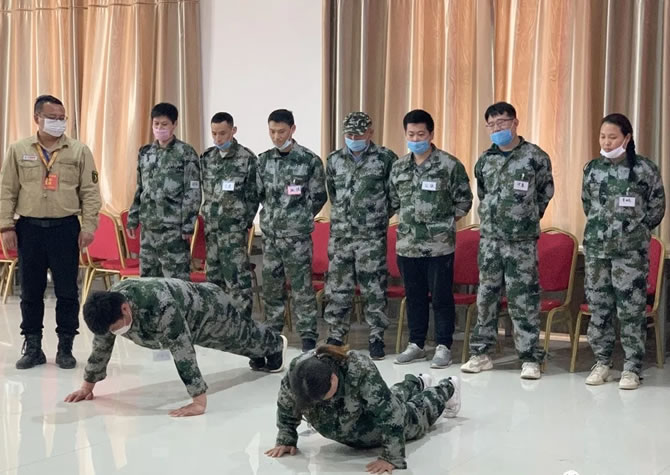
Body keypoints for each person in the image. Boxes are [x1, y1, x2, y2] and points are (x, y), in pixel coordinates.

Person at [64, 278, 287, 416]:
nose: (114, 332)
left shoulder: (160, 305)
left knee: (241, 337)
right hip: (187, 311)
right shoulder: (109, 308)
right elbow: (101, 347)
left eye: (115, 328)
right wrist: (87, 387)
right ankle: (259, 353)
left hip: (209, 309)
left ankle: (276, 345)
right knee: (242, 343)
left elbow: (183, 351)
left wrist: (198, 401)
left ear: (125, 309)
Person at [0, 94, 101, 370]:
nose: (58, 122)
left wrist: (89, 226)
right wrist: (6, 226)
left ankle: (65, 347)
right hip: (29, 229)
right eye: (52, 117)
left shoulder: (79, 151)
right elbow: (7, 190)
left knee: (67, 291)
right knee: (30, 291)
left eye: (62, 118)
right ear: (37, 118)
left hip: (65, 229)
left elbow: (91, 192)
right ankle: (33, 347)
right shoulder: (18, 149)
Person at [461, 101, 554, 380]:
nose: (496, 128)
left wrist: (526, 217)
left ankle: (529, 357)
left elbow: (545, 192)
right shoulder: (485, 159)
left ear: (515, 122)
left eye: (501, 122)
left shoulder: (535, 157)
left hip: (521, 242)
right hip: (490, 240)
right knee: (486, 297)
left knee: (523, 299)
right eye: (491, 125)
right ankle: (481, 353)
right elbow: (484, 193)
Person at [265, 344, 461, 473]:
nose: (320, 403)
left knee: (412, 417)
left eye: (324, 397)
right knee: (385, 397)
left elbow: (390, 413)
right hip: (353, 420)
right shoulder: (298, 374)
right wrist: (286, 437)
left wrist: (391, 456)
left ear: (333, 378)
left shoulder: (358, 369)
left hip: (370, 425)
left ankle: (448, 387)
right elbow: (286, 404)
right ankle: (416, 382)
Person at [581, 113, 666, 390]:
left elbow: (657, 208)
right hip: (597, 251)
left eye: (612, 137)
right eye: (602, 137)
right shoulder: (592, 169)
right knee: (599, 308)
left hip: (630, 253)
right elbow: (588, 204)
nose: (606, 142)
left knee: (630, 310)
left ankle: (632, 367)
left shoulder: (644, 169)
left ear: (626, 138)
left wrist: (634, 231)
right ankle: (602, 362)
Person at [390, 109, 473, 368]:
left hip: (438, 246)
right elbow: (394, 200)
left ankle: (443, 345)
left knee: (441, 298)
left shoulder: (449, 165)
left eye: (421, 134)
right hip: (407, 245)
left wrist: (444, 224)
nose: (416, 139)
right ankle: (416, 344)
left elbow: (464, 200)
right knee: (414, 297)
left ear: (431, 134)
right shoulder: (399, 167)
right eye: (411, 134)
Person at [323, 112, 397, 359]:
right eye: (349, 135)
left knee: (374, 288)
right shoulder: (334, 160)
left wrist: (376, 217)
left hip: (371, 237)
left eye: (359, 135)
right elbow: (333, 193)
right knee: (338, 288)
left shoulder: (385, 158)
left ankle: (376, 336)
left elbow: (393, 196)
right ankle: (336, 334)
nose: (354, 139)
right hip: (341, 236)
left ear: (370, 133)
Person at [256, 109, 327, 351]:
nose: (276, 136)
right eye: (272, 131)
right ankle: (273, 334)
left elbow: (319, 196)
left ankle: (308, 336)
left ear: (292, 130)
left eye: (281, 131)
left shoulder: (309, 160)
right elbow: (258, 194)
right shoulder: (263, 161)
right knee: (271, 288)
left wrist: (300, 217)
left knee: (301, 288)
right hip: (271, 236)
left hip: (297, 238)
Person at [127, 102, 201, 280]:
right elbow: (140, 188)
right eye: (156, 124)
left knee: (176, 281)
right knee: (148, 280)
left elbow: (192, 191)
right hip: (149, 228)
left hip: (173, 228)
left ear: (174, 124)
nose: (159, 128)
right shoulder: (145, 152)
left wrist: (188, 224)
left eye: (164, 124)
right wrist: (133, 217)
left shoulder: (185, 152)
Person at [200, 112, 259, 323]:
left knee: (237, 282)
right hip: (211, 232)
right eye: (214, 133)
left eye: (223, 133)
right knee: (213, 281)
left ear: (233, 131)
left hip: (233, 233)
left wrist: (242, 222)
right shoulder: (207, 158)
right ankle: (216, 323)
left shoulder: (247, 159)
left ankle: (241, 325)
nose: (218, 138)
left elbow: (253, 196)